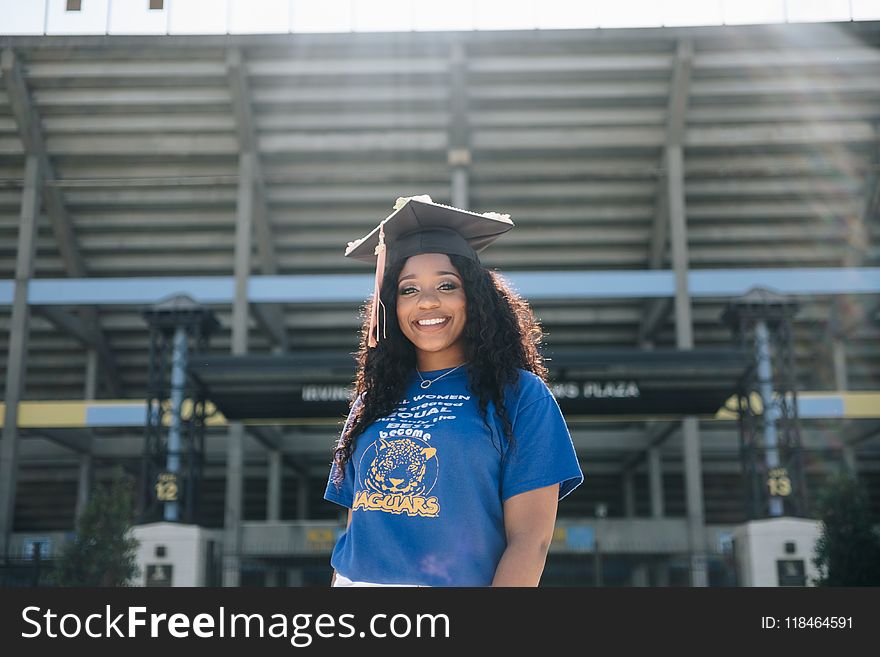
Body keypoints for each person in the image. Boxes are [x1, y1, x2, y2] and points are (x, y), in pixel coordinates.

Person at [323, 195, 583, 587]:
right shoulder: (372, 401)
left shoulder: (519, 395)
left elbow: (531, 540)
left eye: (447, 285)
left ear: (475, 298)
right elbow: (358, 527)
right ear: (390, 306)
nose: (427, 301)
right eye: (408, 290)